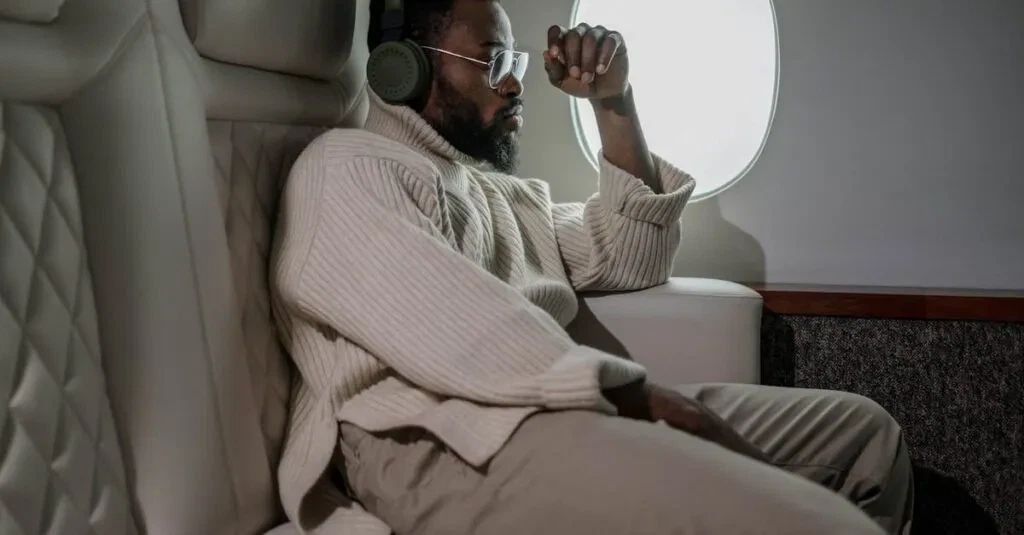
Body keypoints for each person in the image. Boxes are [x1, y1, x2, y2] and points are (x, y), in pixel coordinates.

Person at [269, 0, 914, 533]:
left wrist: (613, 100)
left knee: (865, 437)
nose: (515, 82)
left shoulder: (498, 194)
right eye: (493, 62)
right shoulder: (346, 170)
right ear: (401, 70)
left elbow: (634, 254)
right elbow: (459, 329)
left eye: (513, 61)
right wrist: (646, 399)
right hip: (430, 440)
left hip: (547, 410)